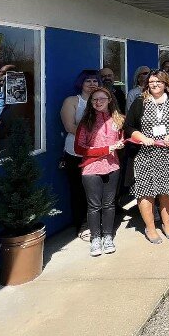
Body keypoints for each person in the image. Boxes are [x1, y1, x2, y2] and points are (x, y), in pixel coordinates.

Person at [124, 70, 169, 244]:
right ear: (147, 84)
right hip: (144, 155)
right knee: (146, 192)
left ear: (165, 83)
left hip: (168, 155)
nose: (155, 84)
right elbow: (129, 126)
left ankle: (167, 224)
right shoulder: (140, 101)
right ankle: (150, 228)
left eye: (159, 82)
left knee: (166, 192)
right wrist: (143, 138)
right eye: (152, 81)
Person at [74, 87, 125, 256]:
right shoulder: (85, 122)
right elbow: (79, 148)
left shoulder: (117, 120)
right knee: (94, 206)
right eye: (94, 99)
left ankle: (108, 236)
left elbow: (121, 139)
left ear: (109, 100)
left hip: (112, 166)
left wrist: (120, 144)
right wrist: (105, 149)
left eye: (102, 99)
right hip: (91, 167)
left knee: (109, 204)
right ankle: (95, 238)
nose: (98, 102)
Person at [61, 69, 102, 241]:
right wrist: (95, 135)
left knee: (96, 190)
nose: (92, 84)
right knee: (78, 190)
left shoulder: (102, 101)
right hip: (76, 152)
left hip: (99, 152)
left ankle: (97, 222)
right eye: (88, 81)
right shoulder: (72, 101)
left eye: (95, 81)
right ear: (81, 83)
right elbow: (69, 126)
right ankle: (82, 225)